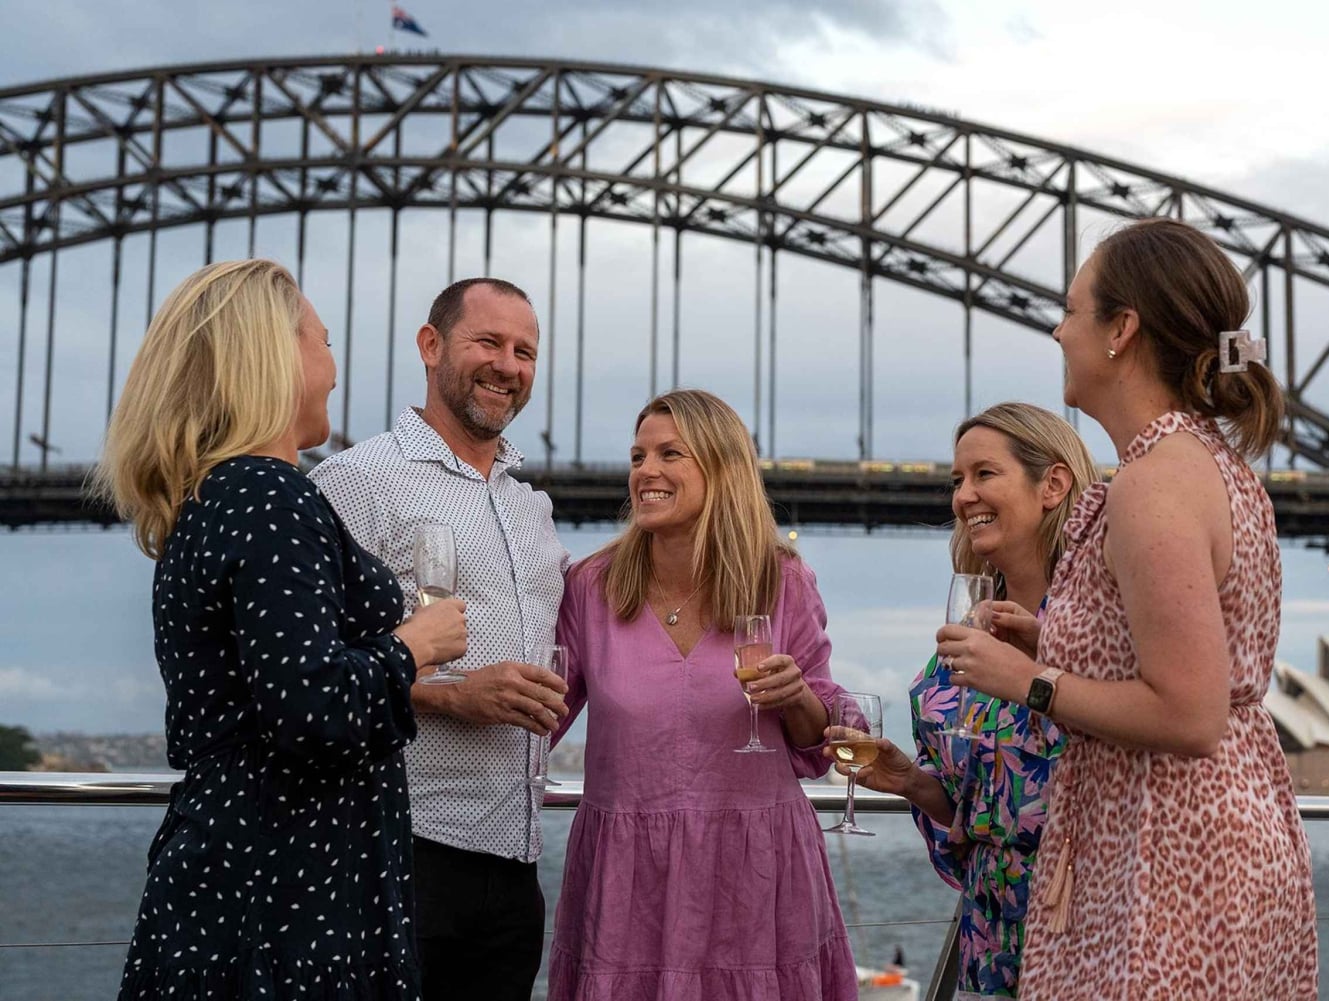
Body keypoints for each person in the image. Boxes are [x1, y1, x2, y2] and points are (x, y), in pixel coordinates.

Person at [939, 218, 1317, 999]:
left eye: (1072, 310)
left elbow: (1188, 711)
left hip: (1168, 857)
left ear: (1121, 330)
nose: (1057, 328)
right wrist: (1054, 636)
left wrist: (1029, 679)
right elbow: (1176, 651)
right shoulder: (1202, 462)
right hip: (1206, 839)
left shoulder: (1156, 484)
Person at [98, 259, 468, 999]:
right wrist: (413, 645)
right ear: (273, 357)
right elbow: (313, 710)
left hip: (240, 874)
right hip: (289, 893)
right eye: (323, 343)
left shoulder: (215, 495)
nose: (335, 369)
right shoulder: (269, 495)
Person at [547, 389, 858, 1000]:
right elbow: (541, 720)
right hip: (628, 879)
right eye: (638, 456)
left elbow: (817, 742)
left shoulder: (782, 580)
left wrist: (796, 696)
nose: (646, 472)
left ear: (722, 470)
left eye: (670, 454)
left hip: (758, 873)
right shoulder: (590, 587)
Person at [311, 278, 570, 1001]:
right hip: (400, 855)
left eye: (525, 351)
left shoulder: (532, 507)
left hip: (516, 870)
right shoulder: (356, 482)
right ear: (431, 346)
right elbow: (315, 674)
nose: (508, 365)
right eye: (488, 342)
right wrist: (457, 696)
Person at [828, 401, 1098, 999]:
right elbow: (976, 818)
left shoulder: (1097, 626)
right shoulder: (965, 638)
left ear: (1053, 485)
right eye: (957, 481)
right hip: (991, 945)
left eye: (984, 474)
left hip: (1092, 933)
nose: (963, 496)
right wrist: (912, 782)